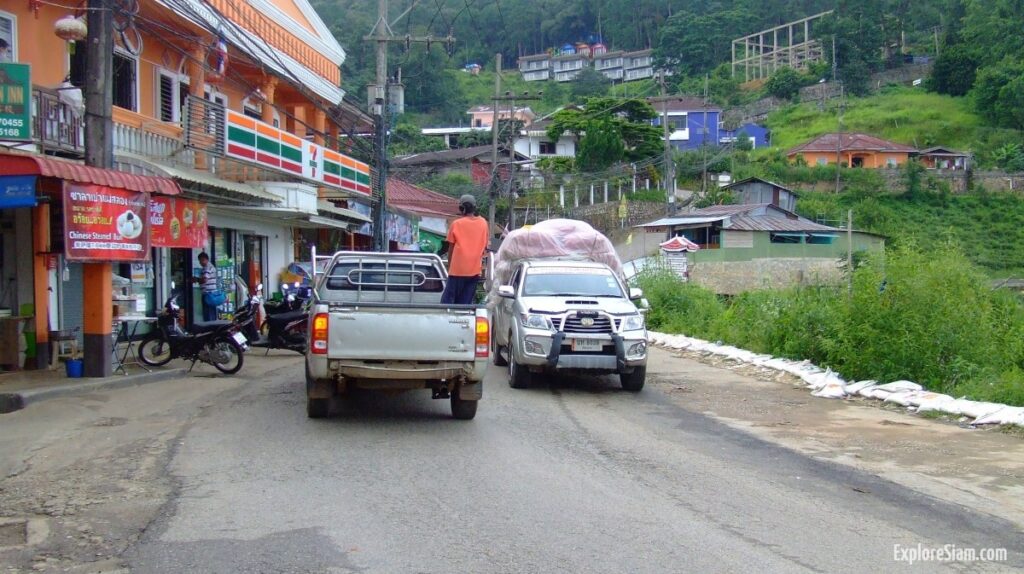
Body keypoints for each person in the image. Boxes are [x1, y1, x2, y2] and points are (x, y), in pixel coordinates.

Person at [439, 194, 489, 304]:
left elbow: (450, 248)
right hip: (474, 271)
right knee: (465, 303)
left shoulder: (456, 224)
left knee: (447, 302)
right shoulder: (483, 223)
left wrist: (450, 267)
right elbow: (485, 245)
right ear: (474, 207)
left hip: (457, 271)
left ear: (462, 208)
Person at [193, 252, 219, 321]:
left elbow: (204, 280)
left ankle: (209, 328)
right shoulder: (211, 266)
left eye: (202, 260)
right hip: (211, 294)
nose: (200, 262)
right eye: (199, 260)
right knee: (212, 313)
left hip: (208, 294)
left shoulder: (207, 268)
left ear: (206, 259)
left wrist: (196, 279)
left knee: (208, 314)